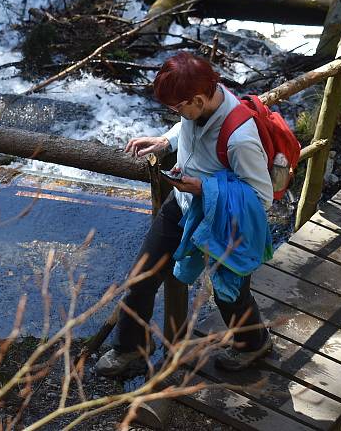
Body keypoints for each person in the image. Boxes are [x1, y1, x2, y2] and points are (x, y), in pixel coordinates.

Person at [95, 52, 274, 377]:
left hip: (222, 219)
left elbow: (261, 198)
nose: (176, 113)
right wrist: (166, 141)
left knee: (229, 292)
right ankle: (131, 349)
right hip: (183, 203)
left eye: (178, 108)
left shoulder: (240, 139)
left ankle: (253, 344)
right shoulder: (199, 108)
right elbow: (187, 127)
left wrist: (205, 189)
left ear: (199, 98)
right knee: (142, 275)